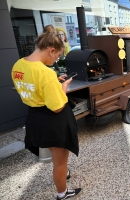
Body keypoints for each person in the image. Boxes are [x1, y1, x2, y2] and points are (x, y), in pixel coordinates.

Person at [11, 32, 81, 199]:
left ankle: (64, 173)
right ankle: (62, 193)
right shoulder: (46, 74)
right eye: (57, 55)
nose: (56, 60)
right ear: (51, 50)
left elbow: (33, 86)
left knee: (54, 156)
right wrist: (63, 86)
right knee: (60, 162)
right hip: (53, 120)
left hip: (34, 117)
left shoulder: (18, 65)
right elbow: (57, 107)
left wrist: (53, 83)